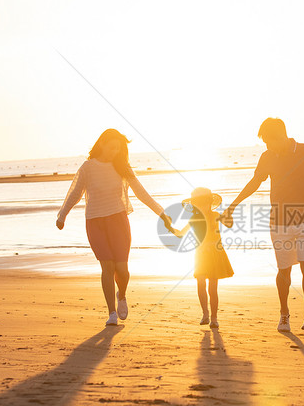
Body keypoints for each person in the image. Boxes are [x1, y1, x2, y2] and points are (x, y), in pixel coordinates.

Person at [222, 118, 304, 332]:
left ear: (281, 135)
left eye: (269, 141)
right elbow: (255, 182)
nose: (267, 146)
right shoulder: (267, 157)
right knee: (284, 269)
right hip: (279, 220)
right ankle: (284, 314)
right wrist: (233, 205)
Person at [56, 129, 172, 326]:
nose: (115, 152)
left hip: (118, 220)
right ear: (102, 144)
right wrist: (62, 214)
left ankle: (122, 295)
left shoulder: (122, 167)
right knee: (107, 266)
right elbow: (75, 192)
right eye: (112, 147)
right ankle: (111, 313)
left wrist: (161, 213)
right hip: (95, 221)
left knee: (122, 270)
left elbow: (141, 194)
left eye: (118, 149)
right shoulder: (88, 167)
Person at [168, 187, 234, 329]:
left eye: (204, 203)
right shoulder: (194, 219)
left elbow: (229, 224)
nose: (202, 206)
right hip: (200, 254)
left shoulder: (216, 215)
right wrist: (170, 228)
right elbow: (181, 233)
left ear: (210, 202)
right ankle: (205, 313)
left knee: (213, 287)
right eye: (198, 203)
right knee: (201, 283)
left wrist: (230, 215)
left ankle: (214, 317)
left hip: (215, 253)